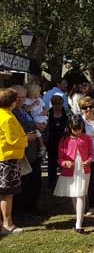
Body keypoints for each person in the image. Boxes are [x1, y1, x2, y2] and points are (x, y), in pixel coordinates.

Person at [54, 114, 94, 233]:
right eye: (75, 129)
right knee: (74, 194)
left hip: (83, 169)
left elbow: (91, 154)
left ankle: (78, 224)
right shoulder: (64, 140)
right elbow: (59, 158)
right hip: (70, 170)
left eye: (80, 128)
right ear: (69, 127)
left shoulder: (87, 138)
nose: (77, 131)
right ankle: (79, 216)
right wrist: (65, 163)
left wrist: (88, 161)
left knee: (81, 194)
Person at [11, 85, 44, 214]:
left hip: (32, 151)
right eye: (18, 97)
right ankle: (23, 209)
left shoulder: (25, 110)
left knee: (35, 181)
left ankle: (32, 206)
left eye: (24, 97)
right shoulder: (12, 113)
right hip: (22, 154)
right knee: (24, 182)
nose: (21, 100)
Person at [0, 88, 28, 235]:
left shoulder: (4, 114)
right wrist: (26, 139)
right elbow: (13, 140)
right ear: (11, 101)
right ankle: (7, 224)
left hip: (3, 157)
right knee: (6, 193)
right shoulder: (7, 118)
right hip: (7, 159)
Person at [79, 96, 94, 215]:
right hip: (87, 156)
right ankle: (92, 205)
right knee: (90, 182)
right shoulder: (80, 121)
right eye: (84, 108)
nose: (88, 110)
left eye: (90, 107)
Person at [46, 95, 68, 188]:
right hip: (52, 142)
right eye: (55, 104)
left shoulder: (66, 114)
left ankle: (65, 181)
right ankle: (51, 182)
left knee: (64, 162)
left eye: (59, 104)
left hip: (64, 142)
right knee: (52, 163)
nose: (58, 106)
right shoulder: (48, 113)